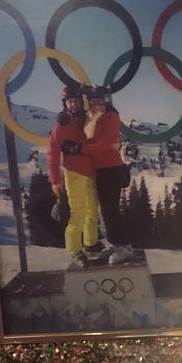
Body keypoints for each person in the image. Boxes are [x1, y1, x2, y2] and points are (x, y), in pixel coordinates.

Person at [48, 84, 99, 268]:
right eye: (70, 102)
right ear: (65, 103)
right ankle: (74, 249)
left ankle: (91, 243)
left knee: (92, 210)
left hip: (90, 171)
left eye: (76, 101)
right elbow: (53, 152)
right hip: (74, 172)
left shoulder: (86, 118)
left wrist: (87, 91)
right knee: (78, 212)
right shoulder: (62, 123)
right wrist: (55, 180)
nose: (73, 104)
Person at [83, 85, 131, 261]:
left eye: (101, 102)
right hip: (100, 169)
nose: (98, 106)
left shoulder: (111, 118)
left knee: (111, 210)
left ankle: (124, 246)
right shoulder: (92, 118)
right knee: (107, 211)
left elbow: (103, 144)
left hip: (110, 170)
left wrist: (81, 149)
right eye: (94, 102)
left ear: (107, 101)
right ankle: (116, 243)